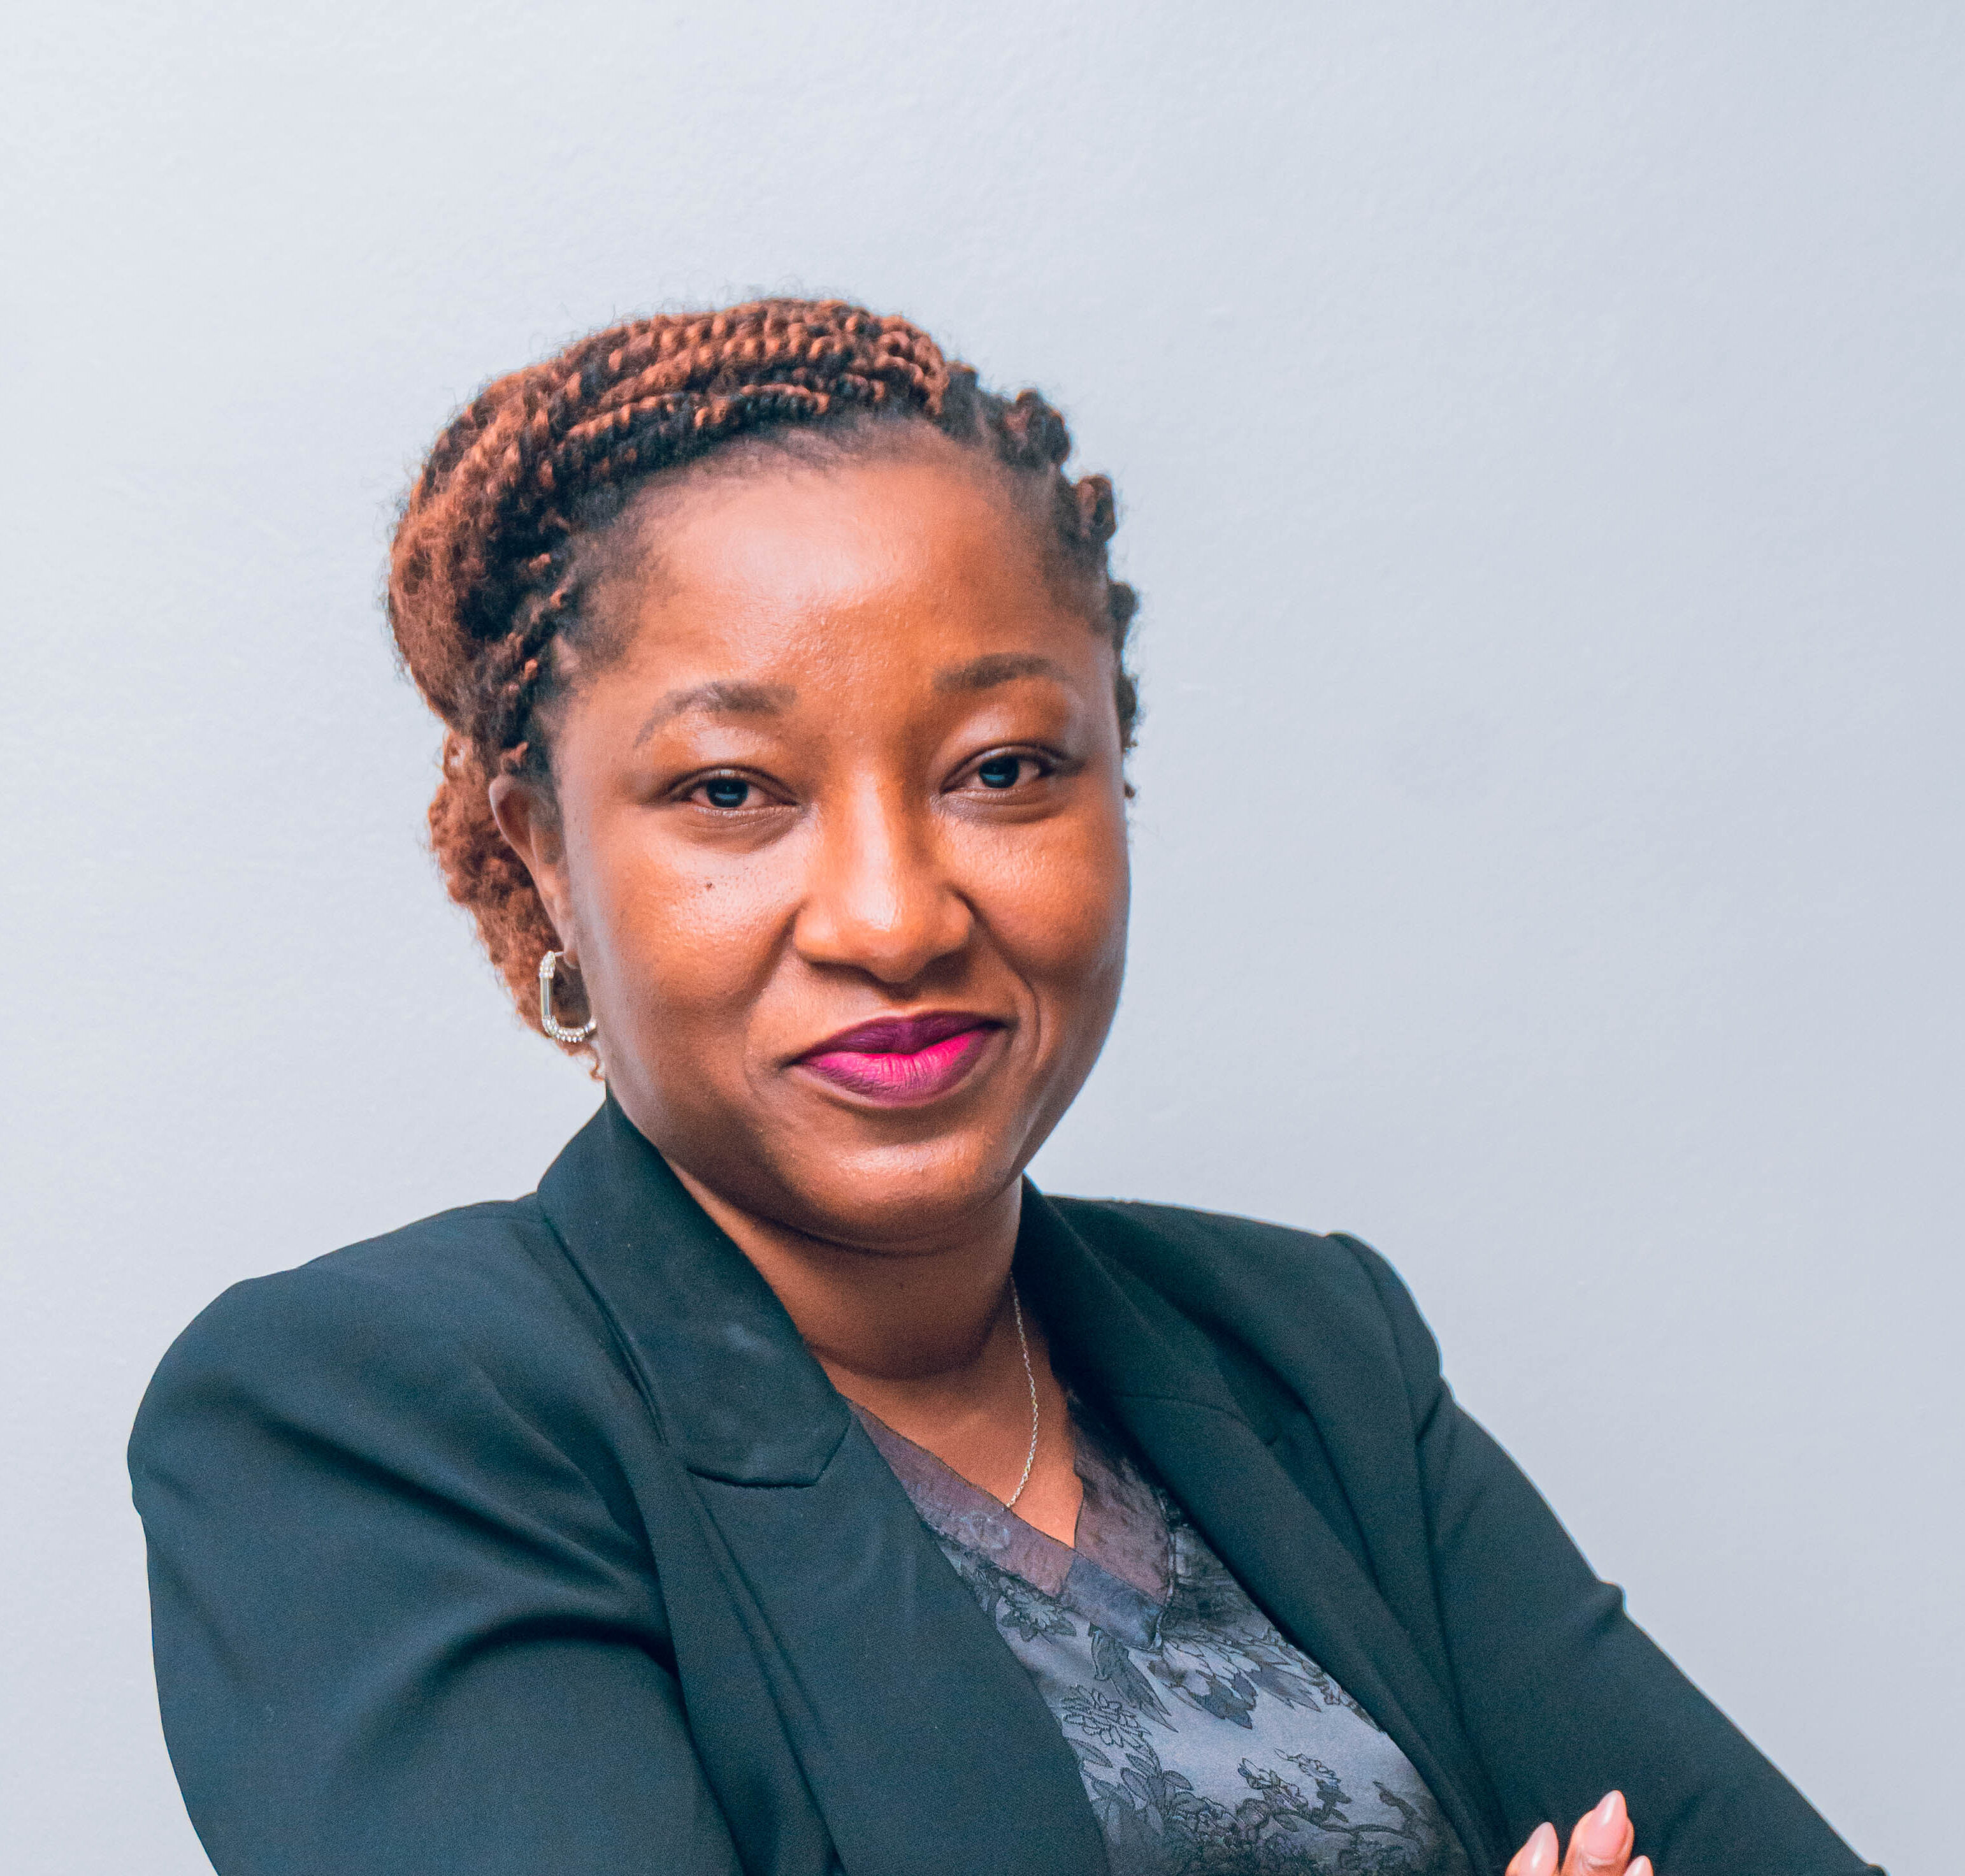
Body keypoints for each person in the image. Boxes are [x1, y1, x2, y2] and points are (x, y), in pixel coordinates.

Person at [129, 299, 1876, 1876]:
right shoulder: (375, 1421)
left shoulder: (1307, 1351)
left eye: (1003, 769)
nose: (893, 917)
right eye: (733, 791)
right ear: (547, 855)